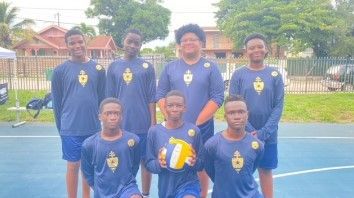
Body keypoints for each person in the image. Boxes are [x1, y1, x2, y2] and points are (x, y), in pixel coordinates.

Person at [155, 24, 224, 198]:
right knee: (172, 160)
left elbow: (217, 97)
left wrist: (196, 124)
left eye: (192, 39)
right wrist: (171, 119)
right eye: (184, 40)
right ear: (179, 44)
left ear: (201, 42)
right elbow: (161, 94)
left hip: (203, 127)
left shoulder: (211, 67)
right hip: (174, 128)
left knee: (199, 164)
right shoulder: (170, 67)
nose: (188, 42)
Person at [51, 28, 106, 198]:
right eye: (72, 43)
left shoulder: (98, 69)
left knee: (89, 168)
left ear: (85, 42)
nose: (77, 46)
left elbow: (102, 100)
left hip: (92, 128)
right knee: (73, 166)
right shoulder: (60, 71)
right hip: (70, 128)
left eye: (80, 42)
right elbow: (57, 104)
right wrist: (61, 129)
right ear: (66, 46)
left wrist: (102, 125)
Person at [229, 33, 284, 198]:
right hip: (241, 133)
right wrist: (249, 130)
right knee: (240, 171)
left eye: (260, 46)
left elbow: (278, 105)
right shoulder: (238, 75)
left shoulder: (275, 75)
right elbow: (233, 104)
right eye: (251, 47)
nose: (256, 50)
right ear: (246, 51)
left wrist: (263, 132)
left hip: (268, 135)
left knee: (265, 171)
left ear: (266, 49)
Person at [106, 28, 156, 197]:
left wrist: (153, 123)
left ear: (141, 45)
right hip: (121, 126)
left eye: (137, 43)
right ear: (123, 42)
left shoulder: (147, 67)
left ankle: (146, 193)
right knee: (122, 162)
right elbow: (110, 99)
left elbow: (151, 97)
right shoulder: (113, 67)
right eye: (130, 41)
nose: (133, 45)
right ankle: (124, 192)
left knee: (145, 161)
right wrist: (109, 123)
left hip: (143, 123)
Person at [145, 90, 204, 198]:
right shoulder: (154, 132)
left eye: (179, 105)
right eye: (170, 105)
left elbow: (201, 164)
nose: (175, 109)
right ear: (165, 107)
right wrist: (159, 163)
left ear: (184, 108)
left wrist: (194, 161)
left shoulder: (194, 131)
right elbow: (148, 164)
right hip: (166, 188)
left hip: (189, 184)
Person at [204, 95, 264, 198]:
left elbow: (250, 169)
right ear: (225, 116)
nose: (237, 116)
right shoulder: (212, 145)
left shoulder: (257, 145)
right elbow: (210, 171)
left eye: (241, 112)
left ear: (247, 115)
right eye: (231, 113)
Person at [81, 98, 142, 198]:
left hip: (127, 188)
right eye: (108, 113)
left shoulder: (133, 140)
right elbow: (87, 173)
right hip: (102, 192)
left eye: (116, 113)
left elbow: (135, 165)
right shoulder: (89, 144)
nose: (112, 117)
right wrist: (98, 188)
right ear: (100, 116)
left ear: (121, 116)